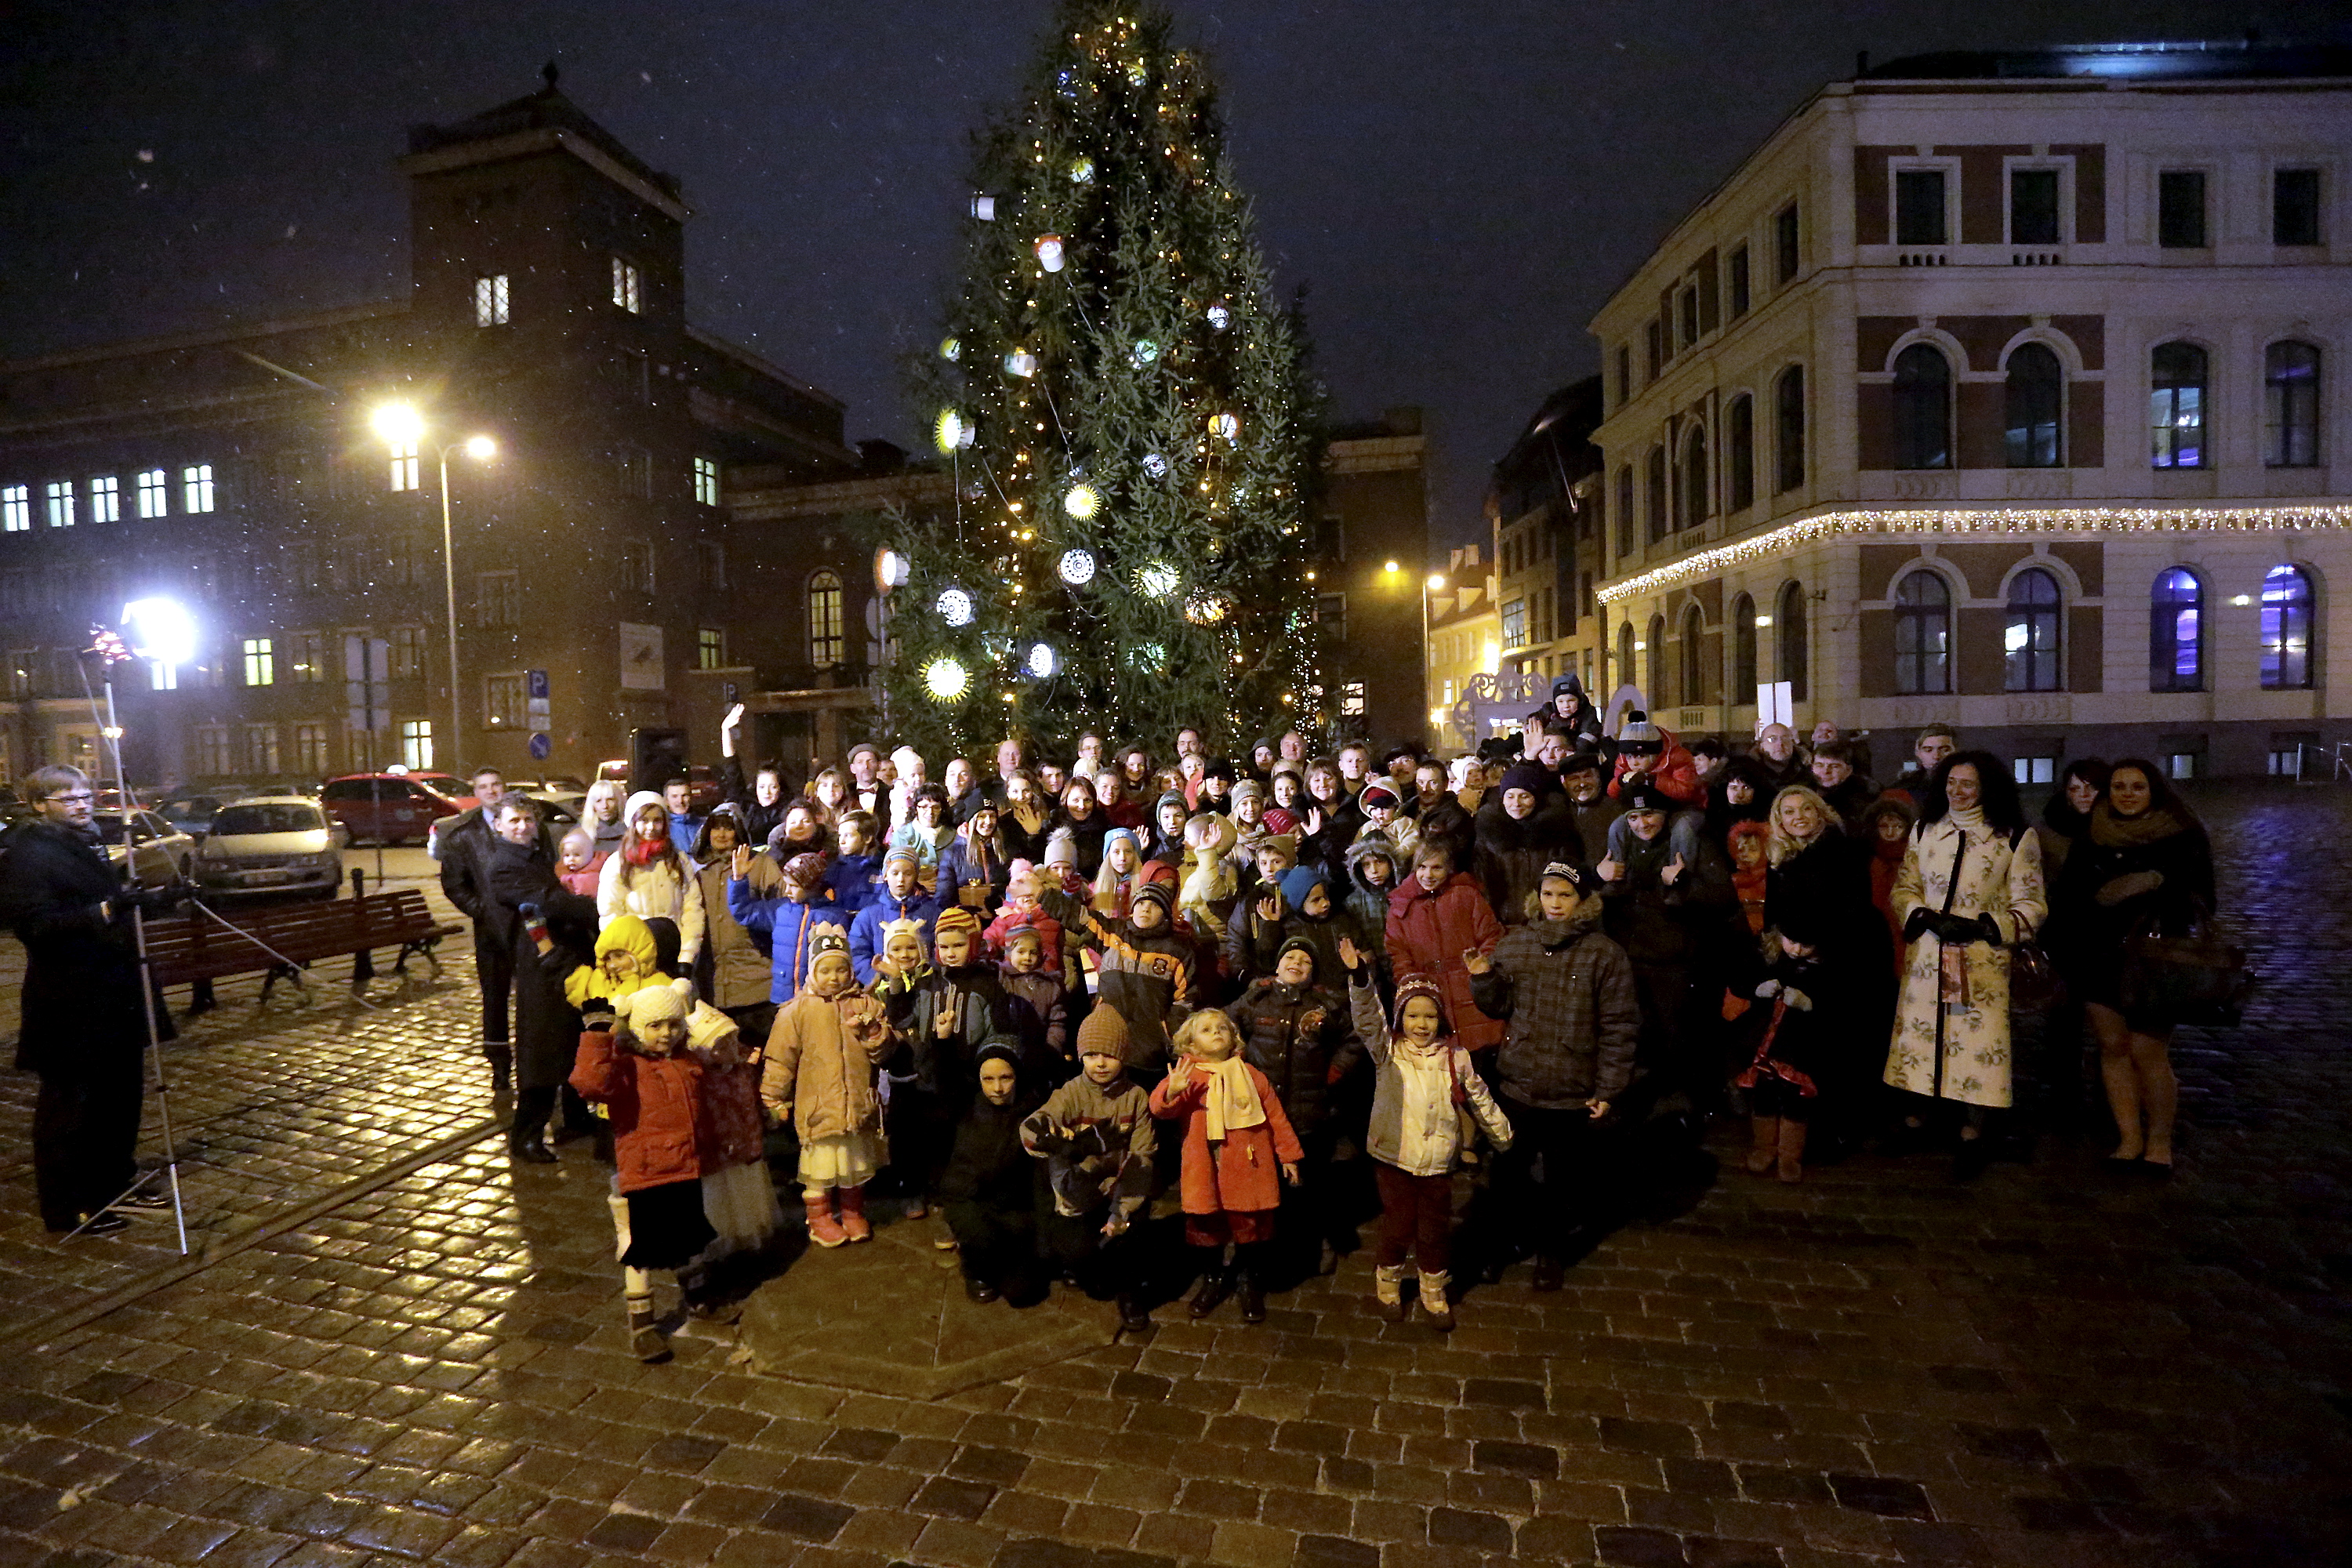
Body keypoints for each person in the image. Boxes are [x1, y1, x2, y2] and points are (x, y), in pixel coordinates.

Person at [0, 765, 178, 1235]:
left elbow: (111, 900)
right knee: (71, 1103)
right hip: (70, 996)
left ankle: (114, 1181)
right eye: (68, 799)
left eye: (85, 796)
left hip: (114, 987)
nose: (82, 805)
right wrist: (105, 909)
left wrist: (156, 899)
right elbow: (37, 926)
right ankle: (68, 1204)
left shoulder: (87, 841)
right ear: (39, 805)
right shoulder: (28, 853)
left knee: (120, 1095)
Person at [1464, 863, 1638, 1289]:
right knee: (1506, 1178)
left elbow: (1619, 1025)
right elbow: (1497, 1006)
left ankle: (1550, 1254)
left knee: (1560, 1183)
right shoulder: (1518, 943)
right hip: (1518, 1084)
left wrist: (1609, 1088)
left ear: (1581, 901)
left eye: (1565, 895)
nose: (1555, 904)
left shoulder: (1604, 954)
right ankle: (1499, 1249)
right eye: (1548, 895)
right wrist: (1483, 978)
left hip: (1570, 1091)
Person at [1885, 750, 2047, 1178]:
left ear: (1986, 789)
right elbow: (1905, 885)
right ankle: (1917, 1118)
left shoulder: (2013, 837)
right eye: (1950, 783)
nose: (1957, 792)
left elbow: (2031, 904)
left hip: (1980, 962)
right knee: (1921, 1040)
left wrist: (1985, 928)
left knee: (1977, 1045)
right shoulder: (1926, 830)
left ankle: (1974, 1131)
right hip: (1927, 956)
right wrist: (1919, 914)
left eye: (1967, 784)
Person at [2050, 760, 2214, 1174]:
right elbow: (2069, 898)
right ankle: (2128, 1140)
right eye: (2119, 787)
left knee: (2149, 1050)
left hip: (2155, 960)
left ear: (2153, 791)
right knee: (2113, 1047)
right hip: (2098, 955)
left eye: (2137, 787)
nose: (2127, 794)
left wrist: (2157, 883)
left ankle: (2159, 1144)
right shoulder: (2093, 835)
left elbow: (2204, 899)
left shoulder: (2182, 834)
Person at [1344, 946, 1515, 1329]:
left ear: (1442, 1019)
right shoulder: (1390, 1052)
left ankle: (1433, 1290)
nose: (1422, 1024)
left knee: (1434, 1229)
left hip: (1438, 1161)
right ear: (1402, 1018)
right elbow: (1369, 1019)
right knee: (1399, 1224)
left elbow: (1479, 1098)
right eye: (1413, 1015)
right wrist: (1359, 977)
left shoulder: (1456, 1057)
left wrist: (1502, 1135)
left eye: (1430, 1015)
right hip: (1394, 1157)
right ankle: (1387, 1282)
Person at [569, 980, 730, 1359]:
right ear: (638, 1028)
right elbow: (589, 1083)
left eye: (673, 1024)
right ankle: (642, 1323)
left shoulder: (686, 1059)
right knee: (640, 1251)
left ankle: (699, 1298)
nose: (666, 1034)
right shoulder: (625, 1067)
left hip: (686, 1168)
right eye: (655, 1026)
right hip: (646, 1174)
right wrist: (596, 1037)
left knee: (691, 1239)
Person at [1150, 1009, 1303, 1323]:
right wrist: (1172, 1090)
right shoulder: (1187, 1074)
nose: (1216, 1032)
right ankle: (1214, 1278)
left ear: (1233, 1037)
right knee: (1207, 1224)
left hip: (1247, 1162)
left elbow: (1275, 1115)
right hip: (1206, 1163)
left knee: (1249, 1224)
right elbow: (1160, 1108)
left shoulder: (1250, 1075)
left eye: (1222, 1028)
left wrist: (1288, 1155)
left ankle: (1249, 1280)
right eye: (1206, 1030)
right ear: (1190, 1041)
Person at [1227, 937, 1356, 1276]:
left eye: (1305, 960)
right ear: (1278, 964)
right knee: (1264, 1180)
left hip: (1307, 1109)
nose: (1296, 962)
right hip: (1261, 1111)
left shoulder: (1326, 1004)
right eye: (1290, 956)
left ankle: (1313, 1240)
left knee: (1309, 1181)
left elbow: (1353, 1039)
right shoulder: (1257, 998)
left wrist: (1335, 1070)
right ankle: (1266, 1243)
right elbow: (1226, 1026)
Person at [1022, 1007, 1156, 1334]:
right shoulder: (1071, 1092)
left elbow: (1143, 1155)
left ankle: (1130, 1292)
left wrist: (1122, 1212)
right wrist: (1046, 1137)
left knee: (1128, 1241)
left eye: (1109, 1055)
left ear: (1123, 1056)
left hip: (1120, 1185)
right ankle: (1085, 1263)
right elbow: (1034, 1127)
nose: (1099, 1063)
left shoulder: (1136, 1098)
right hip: (1080, 1190)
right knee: (1081, 1260)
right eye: (1092, 1054)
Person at [762, 927, 895, 1247]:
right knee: (820, 1169)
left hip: (856, 1106)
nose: (834, 977)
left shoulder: (866, 1004)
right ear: (812, 971)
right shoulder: (797, 1011)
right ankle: (819, 1218)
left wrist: (873, 1031)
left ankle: (851, 1213)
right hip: (818, 1107)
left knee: (853, 1164)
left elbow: (884, 1051)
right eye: (825, 970)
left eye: (840, 969)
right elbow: (780, 1059)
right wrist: (772, 1097)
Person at [489, 796, 601, 1162]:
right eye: (514, 821)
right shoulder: (504, 865)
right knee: (540, 1050)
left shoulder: (534, 856)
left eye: (527, 820)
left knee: (570, 1041)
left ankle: (574, 1117)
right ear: (499, 826)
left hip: (561, 961)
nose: (522, 826)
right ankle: (527, 1135)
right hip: (539, 966)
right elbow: (548, 900)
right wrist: (598, 909)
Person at [439, 765, 539, 1092]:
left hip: (529, 930)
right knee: (494, 1001)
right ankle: (499, 1066)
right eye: (484, 787)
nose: (492, 791)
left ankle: (531, 1061)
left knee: (531, 998)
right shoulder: (463, 837)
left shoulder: (529, 827)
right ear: (476, 793)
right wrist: (481, 910)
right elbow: (454, 885)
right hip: (491, 934)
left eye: (497, 784)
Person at [1041, 875, 1198, 1075]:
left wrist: (1168, 1035)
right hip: (1107, 1042)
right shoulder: (1114, 934)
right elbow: (1077, 916)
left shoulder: (1179, 950)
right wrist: (1042, 895)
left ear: (1166, 914)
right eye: (1141, 903)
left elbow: (1186, 1001)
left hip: (1151, 1052)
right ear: (1133, 909)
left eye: (1154, 905)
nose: (1146, 909)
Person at [939, 1043, 1047, 1303]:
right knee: (979, 1237)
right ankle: (975, 1269)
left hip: (1012, 1204)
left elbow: (1040, 1173)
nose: (997, 1088)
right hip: (969, 1197)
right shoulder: (965, 1106)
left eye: (1005, 1077)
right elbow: (943, 1077)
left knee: (1023, 1292)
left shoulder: (1033, 1110)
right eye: (988, 1079)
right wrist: (942, 1043)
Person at [1733, 910, 1835, 1182]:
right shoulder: (1770, 956)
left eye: (1806, 945)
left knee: (1795, 1101)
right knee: (1764, 1096)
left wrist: (1808, 1003)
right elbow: (1740, 981)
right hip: (1765, 1043)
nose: (1798, 950)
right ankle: (1763, 1149)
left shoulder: (1824, 967)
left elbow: (1838, 1004)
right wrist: (1758, 989)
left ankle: (1790, 1156)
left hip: (1799, 1047)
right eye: (1792, 941)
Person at [1385, 840, 1506, 1053]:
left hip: (1472, 991)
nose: (1428, 874)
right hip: (1430, 994)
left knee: (1482, 1062)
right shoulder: (1401, 907)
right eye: (1422, 867)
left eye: (1436, 867)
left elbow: (1491, 936)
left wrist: (1480, 971)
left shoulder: (1466, 896)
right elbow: (1398, 952)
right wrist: (1415, 987)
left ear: (1449, 869)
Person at [691, 808, 781, 1051]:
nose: (721, 834)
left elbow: (780, 912)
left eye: (728, 827)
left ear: (739, 832)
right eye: (715, 827)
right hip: (715, 989)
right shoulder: (699, 874)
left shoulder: (761, 864)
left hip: (758, 985)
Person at [599, 789, 706, 968]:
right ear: (632, 823)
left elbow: (692, 907)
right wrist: (627, 956)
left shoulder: (677, 859)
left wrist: (687, 955)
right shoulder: (618, 863)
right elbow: (611, 914)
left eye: (657, 820)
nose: (651, 827)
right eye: (644, 820)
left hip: (676, 954)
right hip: (636, 959)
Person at [728, 849, 848, 1006]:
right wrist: (739, 879)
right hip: (782, 996)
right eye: (786, 885)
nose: (787, 891)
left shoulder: (834, 916)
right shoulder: (781, 910)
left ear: (812, 886)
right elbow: (744, 912)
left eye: (793, 886)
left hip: (819, 999)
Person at [1474, 762, 1581, 924]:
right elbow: (1481, 883)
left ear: (1536, 798)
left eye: (1524, 796)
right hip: (1499, 923)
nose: (1516, 803)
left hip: (1545, 922)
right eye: (1510, 796)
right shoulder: (1489, 833)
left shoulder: (1556, 832)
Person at [847, 847, 940, 985]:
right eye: (895, 873)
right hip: (883, 988)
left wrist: (927, 977)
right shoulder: (868, 915)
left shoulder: (932, 913)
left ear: (916, 876)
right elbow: (857, 953)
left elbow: (939, 950)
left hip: (925, 987)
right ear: (885, 875)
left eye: (908, 874)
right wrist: (878, 978)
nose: (901, 879)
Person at [717, 702, 789, 848]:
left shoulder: (787, 810)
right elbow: (732, 769)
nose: (767, 792)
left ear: (780, 788)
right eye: (762, 787)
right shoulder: (746, 805)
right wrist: (725, 730)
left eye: (773, 787)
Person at [938, 800, 1012, 915]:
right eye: (982, 816)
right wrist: (961, 910)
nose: (988, 822)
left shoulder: (1005, 850)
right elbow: (943, 897)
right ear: (971, 820)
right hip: (966, 920)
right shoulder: (953, 854)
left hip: (1002, 918)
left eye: (992, 816)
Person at [1051, 776, 1112, 879]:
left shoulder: (1104, 827)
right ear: (1065, 801)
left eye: (1087, 800)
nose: (1082, 806)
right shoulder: (1053, 824)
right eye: (1076, 800)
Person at [1889, 724, 1960, 809]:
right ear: (1918, 753)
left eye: (1945, 750)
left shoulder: (1972, 785)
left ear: (1956, 751)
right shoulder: (1903, 789)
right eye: (1928, 750)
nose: (1936, 756)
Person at [1750, 724, 1808, 795]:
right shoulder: (1749, 770)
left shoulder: (1808, 768)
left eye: (1785, 738)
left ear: (1792, 743)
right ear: (1762, 745)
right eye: (1772, 739)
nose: (1780, 743)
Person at [582, 778, 630, 858]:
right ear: (592, 805)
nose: (605, 806)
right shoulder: (581, 834)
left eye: (610, 800)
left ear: (618, 801)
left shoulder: (632, 830)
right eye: (598, 801)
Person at [662, 777, 706, 851]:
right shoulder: (663, 828)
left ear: (691, 798)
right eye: (674, 796)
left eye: (685, 795)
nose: (680, 801)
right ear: (666, 800)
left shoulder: (703, 826)